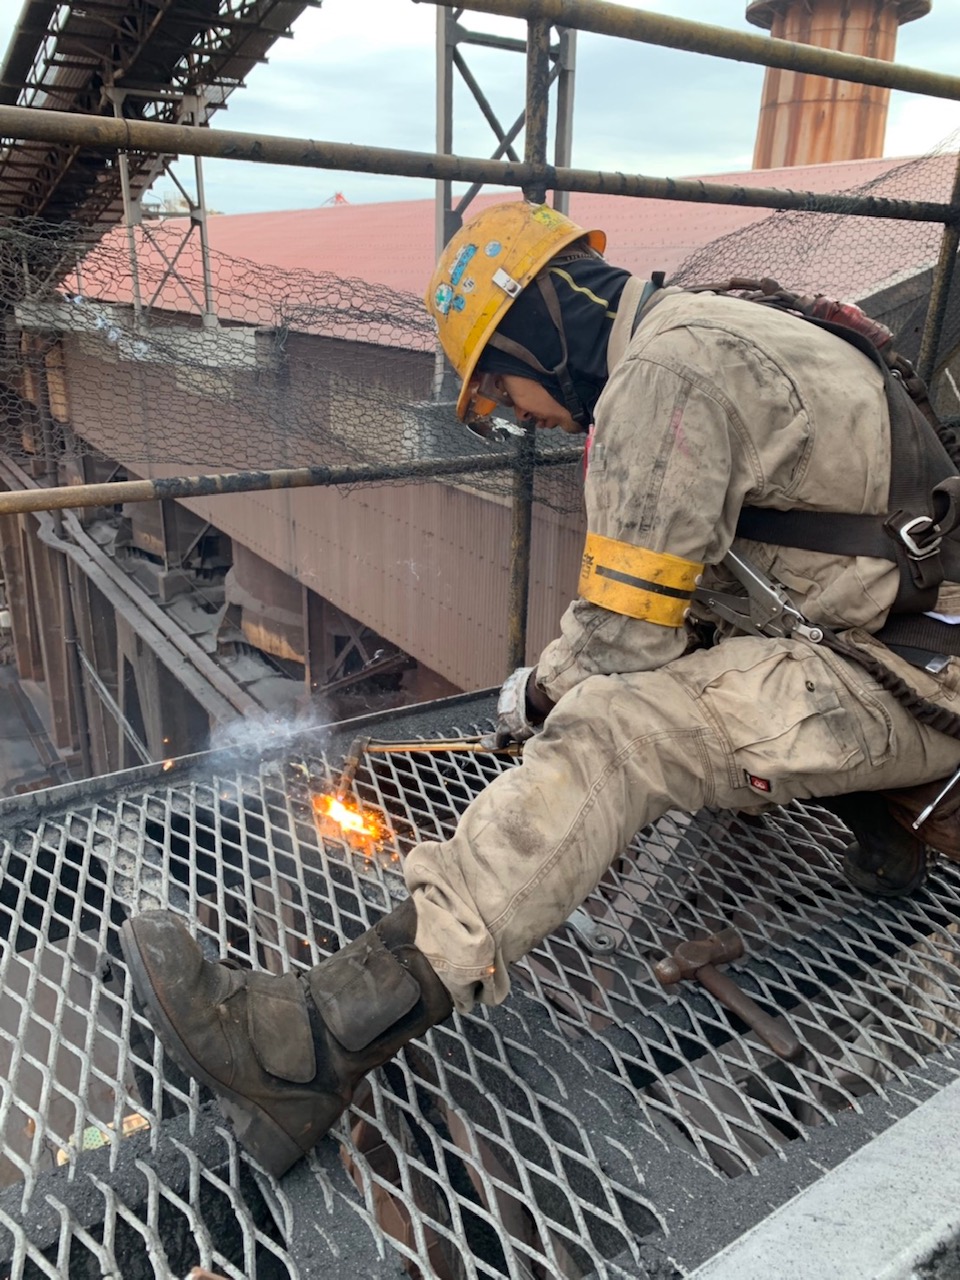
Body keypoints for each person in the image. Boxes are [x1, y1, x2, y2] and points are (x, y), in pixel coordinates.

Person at [121, 200, 960, 1179]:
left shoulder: (666, 376)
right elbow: (704, 586)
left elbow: (623, 642)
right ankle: (876, 823)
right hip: (887, 639)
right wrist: (551, 690)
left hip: (903, 681)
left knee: (618, 729)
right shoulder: (711, 329)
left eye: (505, 391)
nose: (526, 417)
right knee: (639, 686)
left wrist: (542, 700)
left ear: (540, 328)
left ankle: (306, 1045)